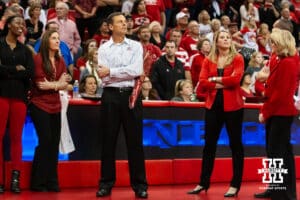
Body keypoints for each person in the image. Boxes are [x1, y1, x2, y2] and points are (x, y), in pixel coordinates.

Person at [96, 12, 148, 198]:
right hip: (110, 96)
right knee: (108, 142)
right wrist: (119, 72)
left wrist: (112, 71)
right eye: (120, 22)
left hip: (131, 96)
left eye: (125, 22)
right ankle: (106, 184)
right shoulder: (103, 48)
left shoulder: (135, 45)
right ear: (110, 26)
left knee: (135, 142)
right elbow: (103, 75)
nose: (125, 24)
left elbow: (136, 70)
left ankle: (140, 185)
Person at [187, 30, 245, 197]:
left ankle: (235, 185)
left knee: (236, 145)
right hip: (213, 107)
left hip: (234, 108)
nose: (226, 40)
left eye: (228, 37)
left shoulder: (237, 58)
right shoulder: (208, 59)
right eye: (223, 37)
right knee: (209, 146)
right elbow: (202, 83)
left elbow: (236, 81)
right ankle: (203, 182)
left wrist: (214, 80)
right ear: (216, 41)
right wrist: (217, 82)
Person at [254, 28, 299, 200]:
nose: (271, 45)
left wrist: (265, 112)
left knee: (278, 152)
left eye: (273, 42)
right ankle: (275, 188)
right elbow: (268, 85)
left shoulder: (289, 62)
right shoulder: (278, 59)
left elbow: (280, 94)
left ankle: (283, 192)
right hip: (277, 110)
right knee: (275, 152)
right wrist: (261, 80)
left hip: (281, 112)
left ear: (281, 43)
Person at [29, 29, 70, 192]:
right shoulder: (38, 59)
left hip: (56, 105)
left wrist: (55, 85)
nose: (57, 40)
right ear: (46, 41)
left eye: (58, 38)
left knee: (53, 144)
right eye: (54, 38)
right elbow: (40, 85)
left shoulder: (61, 61)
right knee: (45, 141)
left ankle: (52, 181)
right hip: (39, 104)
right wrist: (58, 84)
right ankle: (37, 182)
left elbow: (67, 83)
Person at [0, 15, 34, 194]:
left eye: (22, 23)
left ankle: (15, 179)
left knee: (16, 138)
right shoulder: (0, 44)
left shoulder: (25, 50)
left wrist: (6, 70)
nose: (21, 25)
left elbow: (29, 72)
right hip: (1, 97)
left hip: (19, 98)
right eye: (17, 23)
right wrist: (14, 69)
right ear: (8, 26)